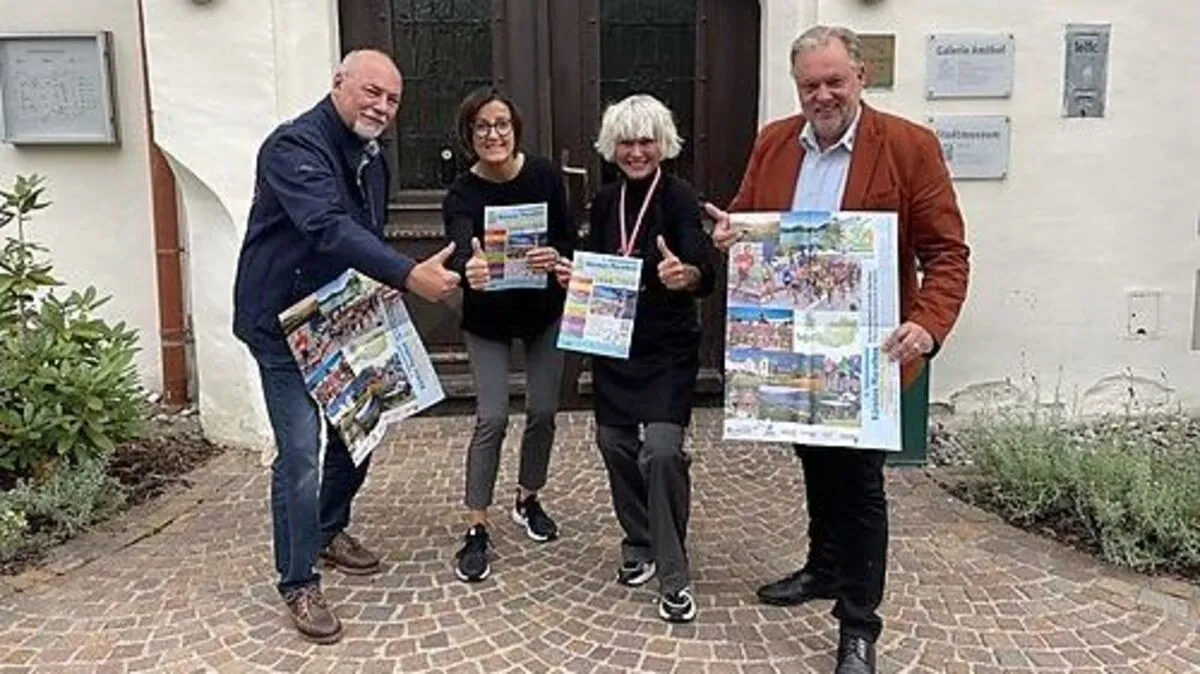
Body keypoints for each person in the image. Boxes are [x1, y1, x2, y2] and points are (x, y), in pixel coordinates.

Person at [706, 25, 970, 674]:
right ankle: (823, 569)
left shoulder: (909, 147)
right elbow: (749, 217)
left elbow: (946, 254)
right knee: (815, 464)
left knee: (858, 486)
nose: (822, 95)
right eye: (809, 85)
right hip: (795, 352)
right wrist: (732, 237)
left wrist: (930, 326)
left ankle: (858, 625)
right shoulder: (774, 143)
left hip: (869, 356)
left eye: (834, 81)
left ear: (861, 76)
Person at [232, 49, 461, 644]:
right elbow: (327, 226)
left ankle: (328, 529)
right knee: (302, 451)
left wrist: (382, 290)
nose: (382, 107)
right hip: (281, 322)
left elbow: (365, 236)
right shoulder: (293, 148)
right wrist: (411, 277)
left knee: (361, 427)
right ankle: (298, 581)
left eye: (392, 100)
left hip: (341, 315)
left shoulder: (373, 157)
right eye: (371, 92)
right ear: (338, 83)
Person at [554, 93, 717, 624]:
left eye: (646, 140)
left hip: (667, 348)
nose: (636, 151)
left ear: (662, 144)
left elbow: (702, 268)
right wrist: (573, 276)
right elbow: (602, 267)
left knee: (663, 453)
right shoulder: (605, 202)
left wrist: (687, 275)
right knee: (613, 441)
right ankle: (640, 541)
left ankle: (674, 574)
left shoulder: (680, 197)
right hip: (615, 344)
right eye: (626, 141)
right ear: (612, 146)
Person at [441, 86, 574, 582]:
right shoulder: (462, 192)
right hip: (488, 320)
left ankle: (528, 497)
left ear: (515, 130)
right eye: (481, 127)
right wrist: (466, 263)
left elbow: (567, 236)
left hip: (542, 310)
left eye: (501, 124)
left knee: (542, 410)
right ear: (469, 135)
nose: (492, 134)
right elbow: (458, 246)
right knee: (492, 417)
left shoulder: (543, 175)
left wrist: (556, 256)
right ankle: (477, 525)